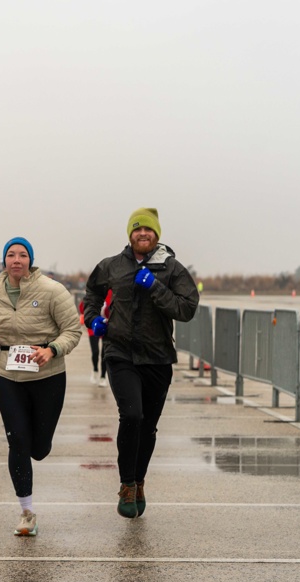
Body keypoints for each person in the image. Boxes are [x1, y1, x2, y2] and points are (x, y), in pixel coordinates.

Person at [83, 208, 198, 519]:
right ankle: (126, 485)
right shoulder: (112, 265)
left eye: (148, 229)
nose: (142, 234)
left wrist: (156, 287)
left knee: (148, 427)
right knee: (132, 415)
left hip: (158, 357)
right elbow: (91, 293)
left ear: (156, 234)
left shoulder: (171, 269)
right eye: (137, 229)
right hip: (119, 353)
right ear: (130, 234)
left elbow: (187, 308)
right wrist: (93, 319)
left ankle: (139, 481)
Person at [0, 237, 83, 537]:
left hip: (47, 377)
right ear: (4, 260)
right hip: (9, 376)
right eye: (11, 255)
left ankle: (40, 446)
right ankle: (26, 512)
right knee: (18, 442)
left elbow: (72, 330)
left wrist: (52, 350)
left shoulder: (52, 290)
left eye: (22, 255)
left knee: (39, 448)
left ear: (30, 261)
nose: (16, 260)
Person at [79, 289, 112, 386]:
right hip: (93, 326)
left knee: (104, 354)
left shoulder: (111, 292)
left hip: (107, 327)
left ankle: (103, 377)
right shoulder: (94, 290)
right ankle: (95, 370)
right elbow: (82, 308)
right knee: (95, 352)